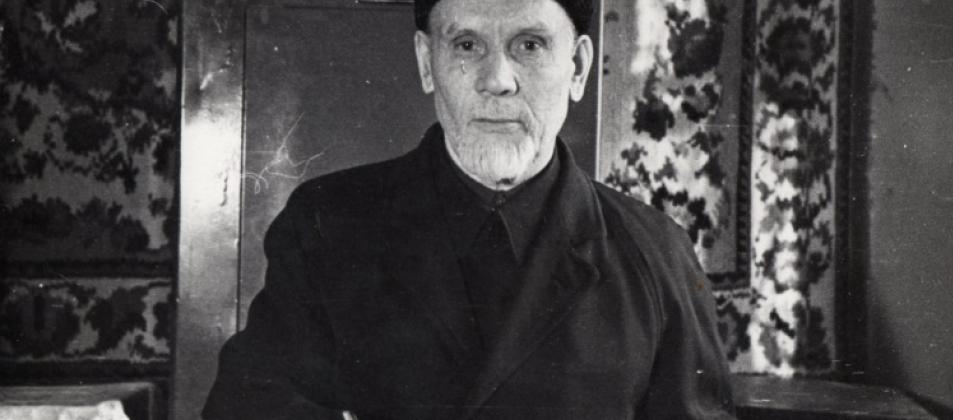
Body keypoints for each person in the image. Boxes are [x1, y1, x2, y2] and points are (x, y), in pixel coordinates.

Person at [202, 0, 735, 418]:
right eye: (466, 45)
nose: (497, 79)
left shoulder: (655, 254)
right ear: (426, 62)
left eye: (530, 44)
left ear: (577, 67)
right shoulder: (326, 224)